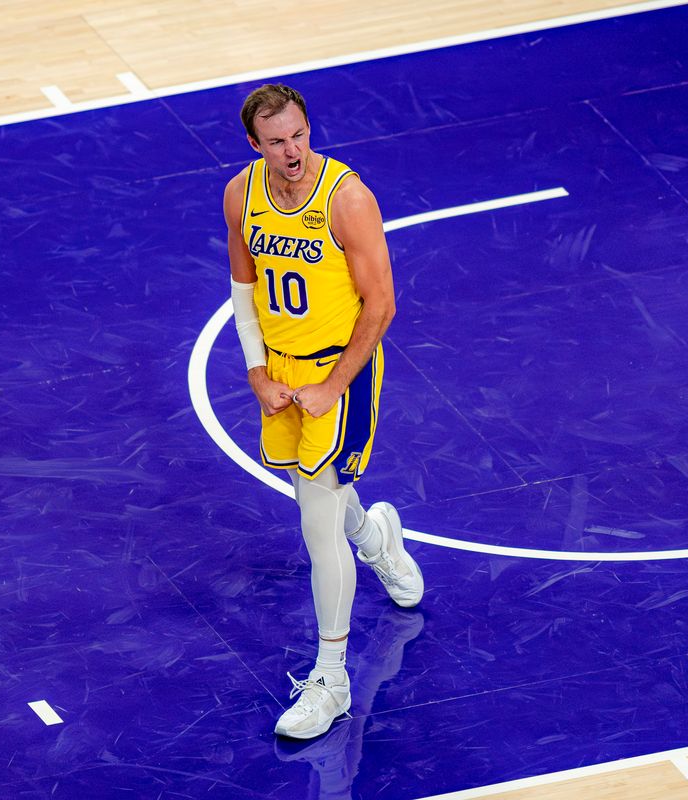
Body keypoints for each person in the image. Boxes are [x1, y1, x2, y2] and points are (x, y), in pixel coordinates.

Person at [222, 83, 424, 740]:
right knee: (322, 497)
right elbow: (243, 287)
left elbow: (382, 306)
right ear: (256, 145)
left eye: (300, 136)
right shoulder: (240, 195)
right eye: (277, 141)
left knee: (316, 522)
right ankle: (377, 538)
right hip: (281, 375)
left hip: (343, 371)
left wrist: (334, 385)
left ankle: (331, 680)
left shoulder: (348, 199)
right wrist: (256, 371)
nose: (292, 151)